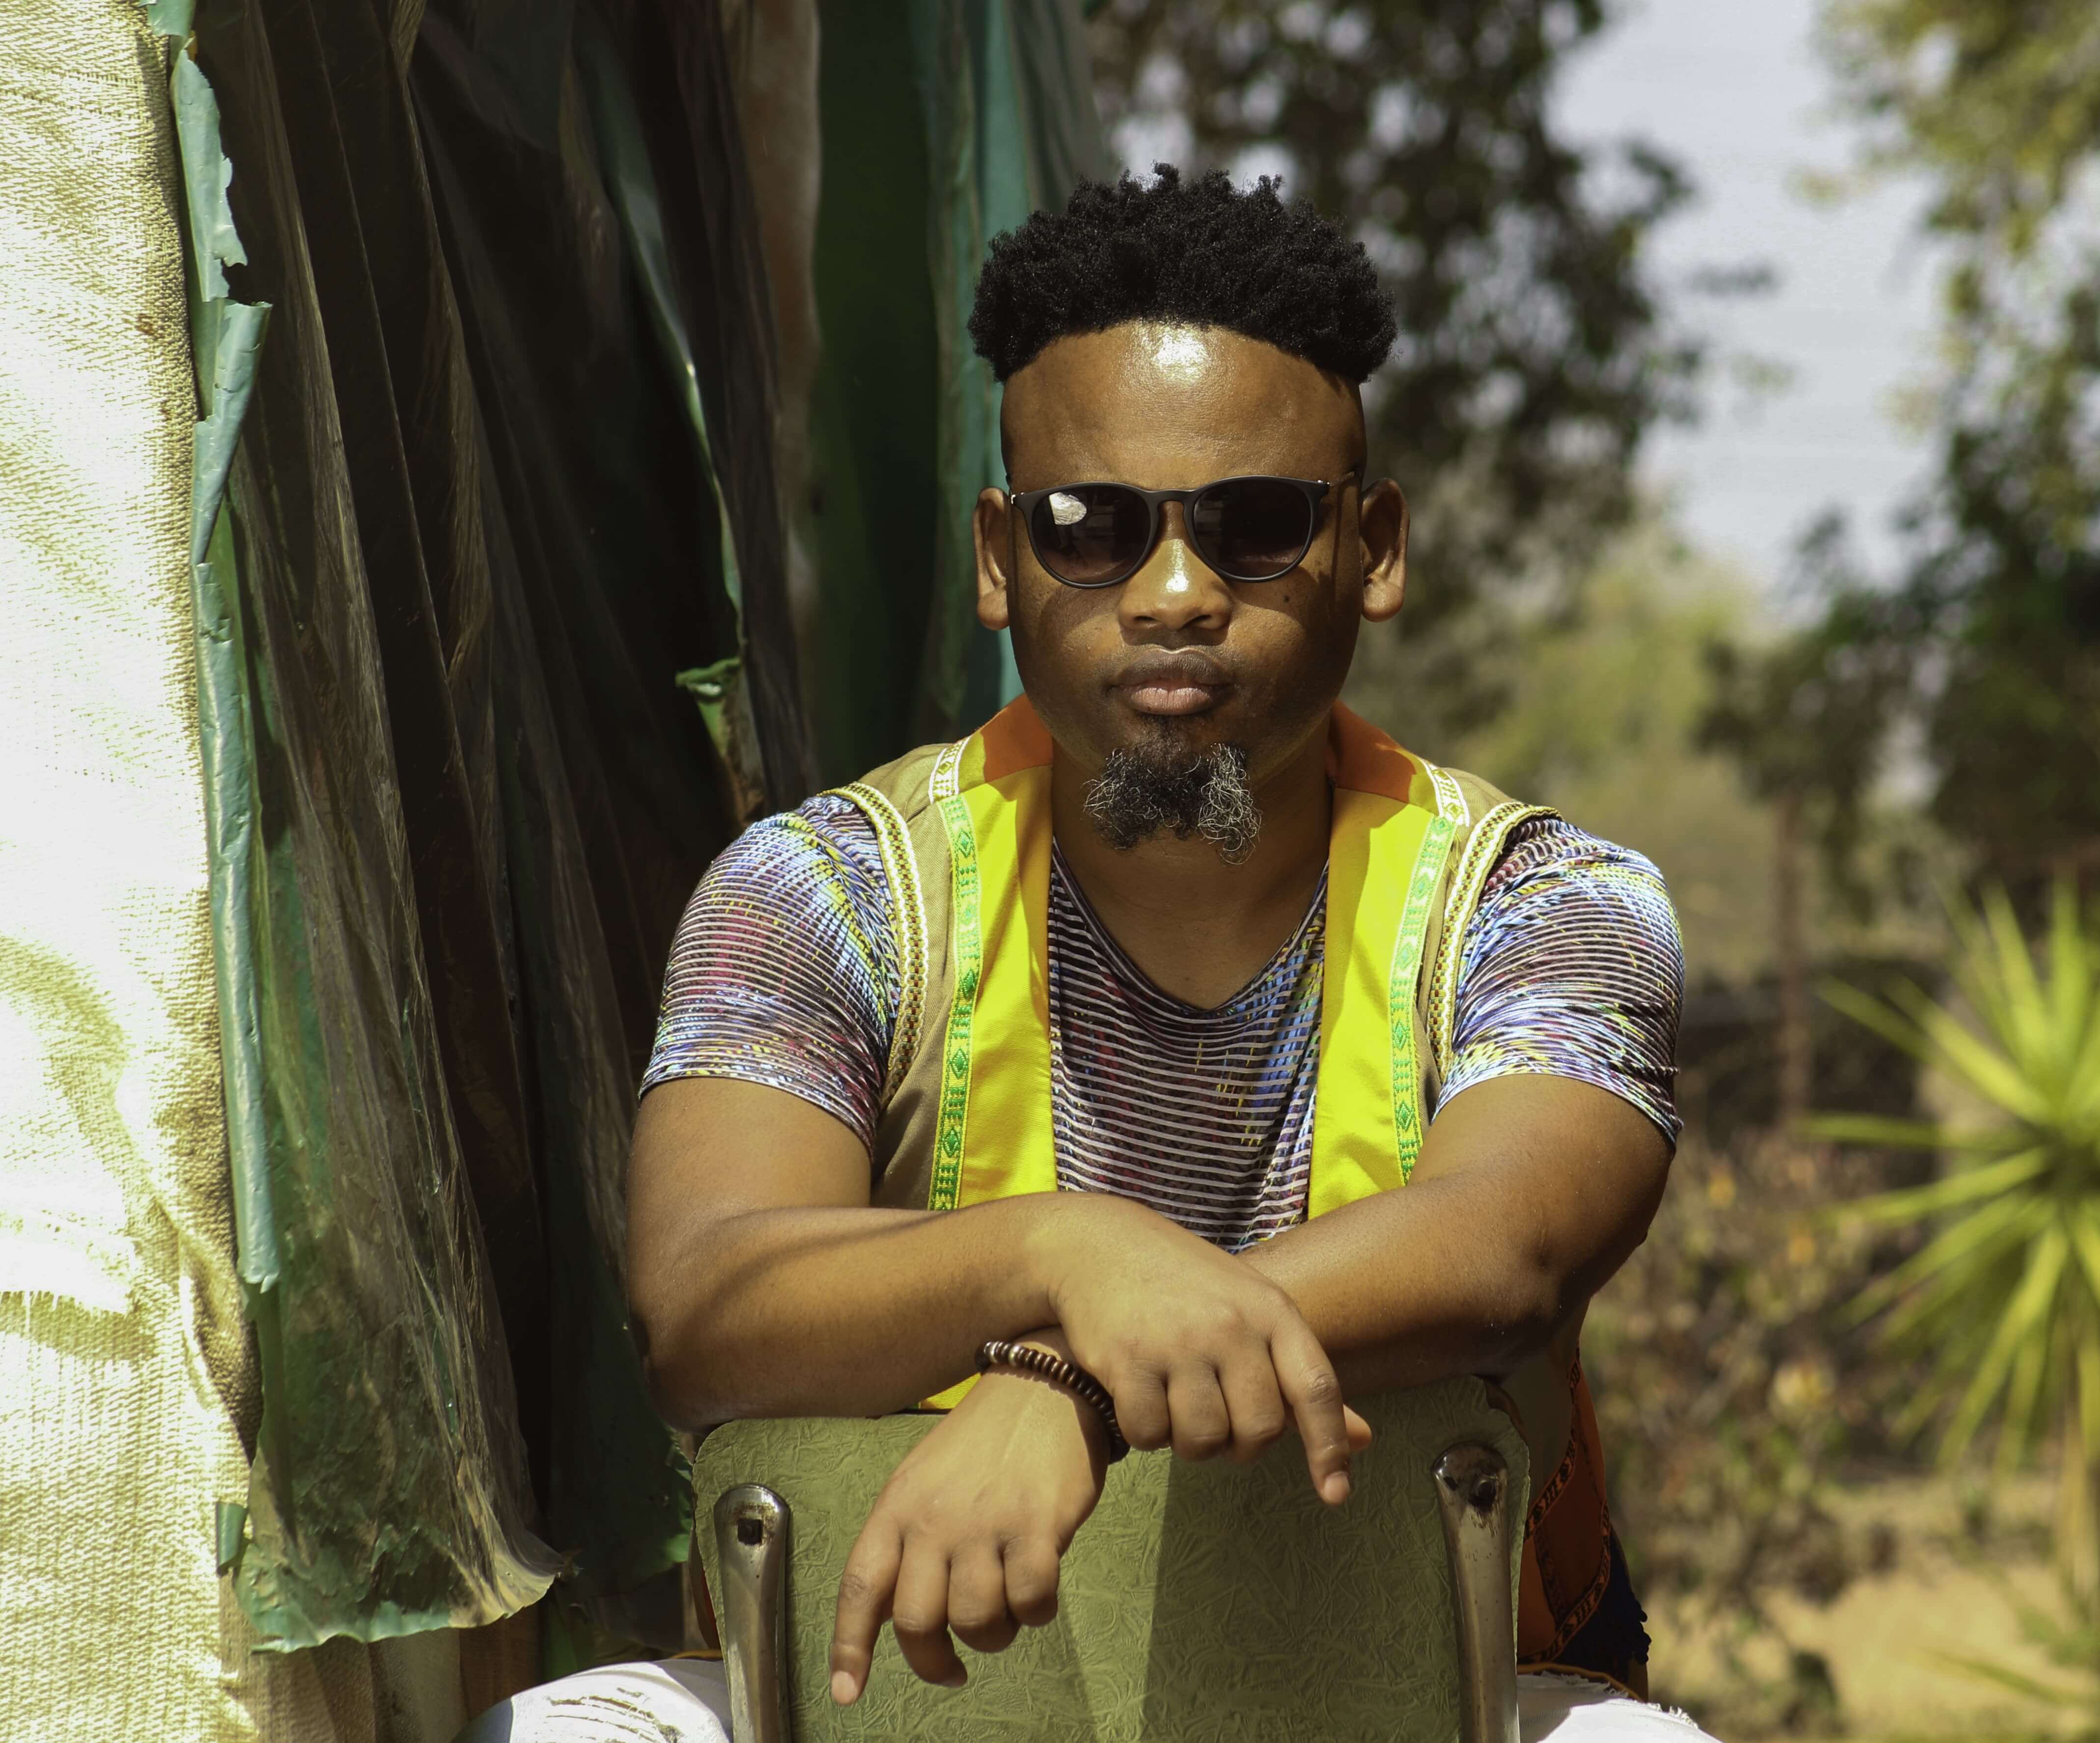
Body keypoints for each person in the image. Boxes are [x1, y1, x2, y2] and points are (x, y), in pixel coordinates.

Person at [465, 165, 1714, 1742]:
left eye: (1255, 527)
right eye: (1091, 528)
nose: (1174, 595)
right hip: (894, 1713)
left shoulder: (1542, 901)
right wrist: (1064, 1255)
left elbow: (1505, 1249)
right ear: (1001, 557)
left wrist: (1076, 1384)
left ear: (1376, 546)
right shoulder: (822, 892)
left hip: (1418, 1702)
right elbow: (704, 1303)